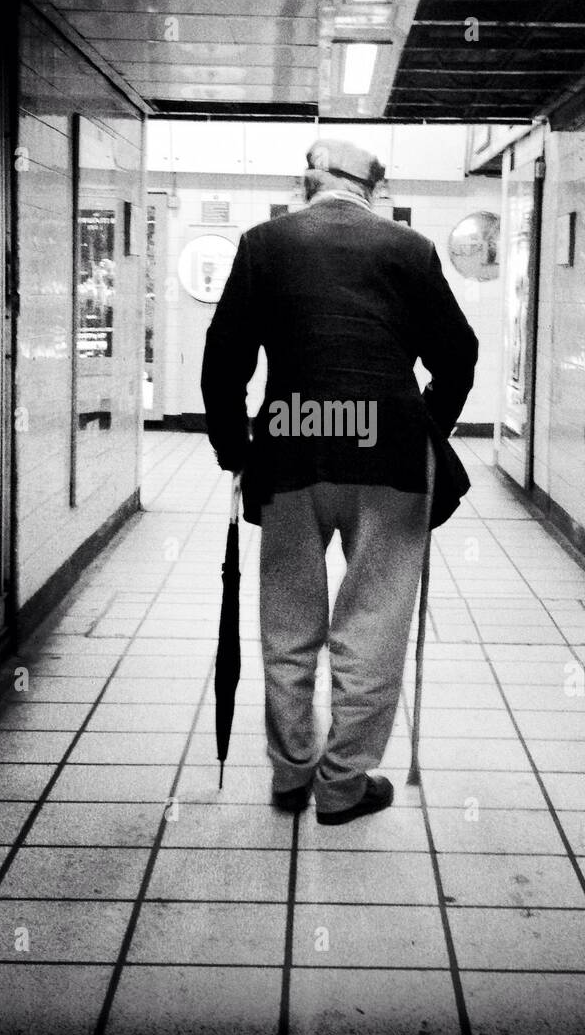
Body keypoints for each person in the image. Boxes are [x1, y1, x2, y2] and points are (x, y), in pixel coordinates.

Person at [201, 138, 478, 825]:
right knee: (374, 621)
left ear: (309, 182)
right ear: (372, 189)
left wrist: (236, 448)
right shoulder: (408, 249)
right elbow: (459, 354)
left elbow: (223, 359)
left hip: (293, 447)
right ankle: (344, 784)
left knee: (289, 618)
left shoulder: (264, 243)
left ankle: (291, 774)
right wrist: (426, 428)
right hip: (389, 456)